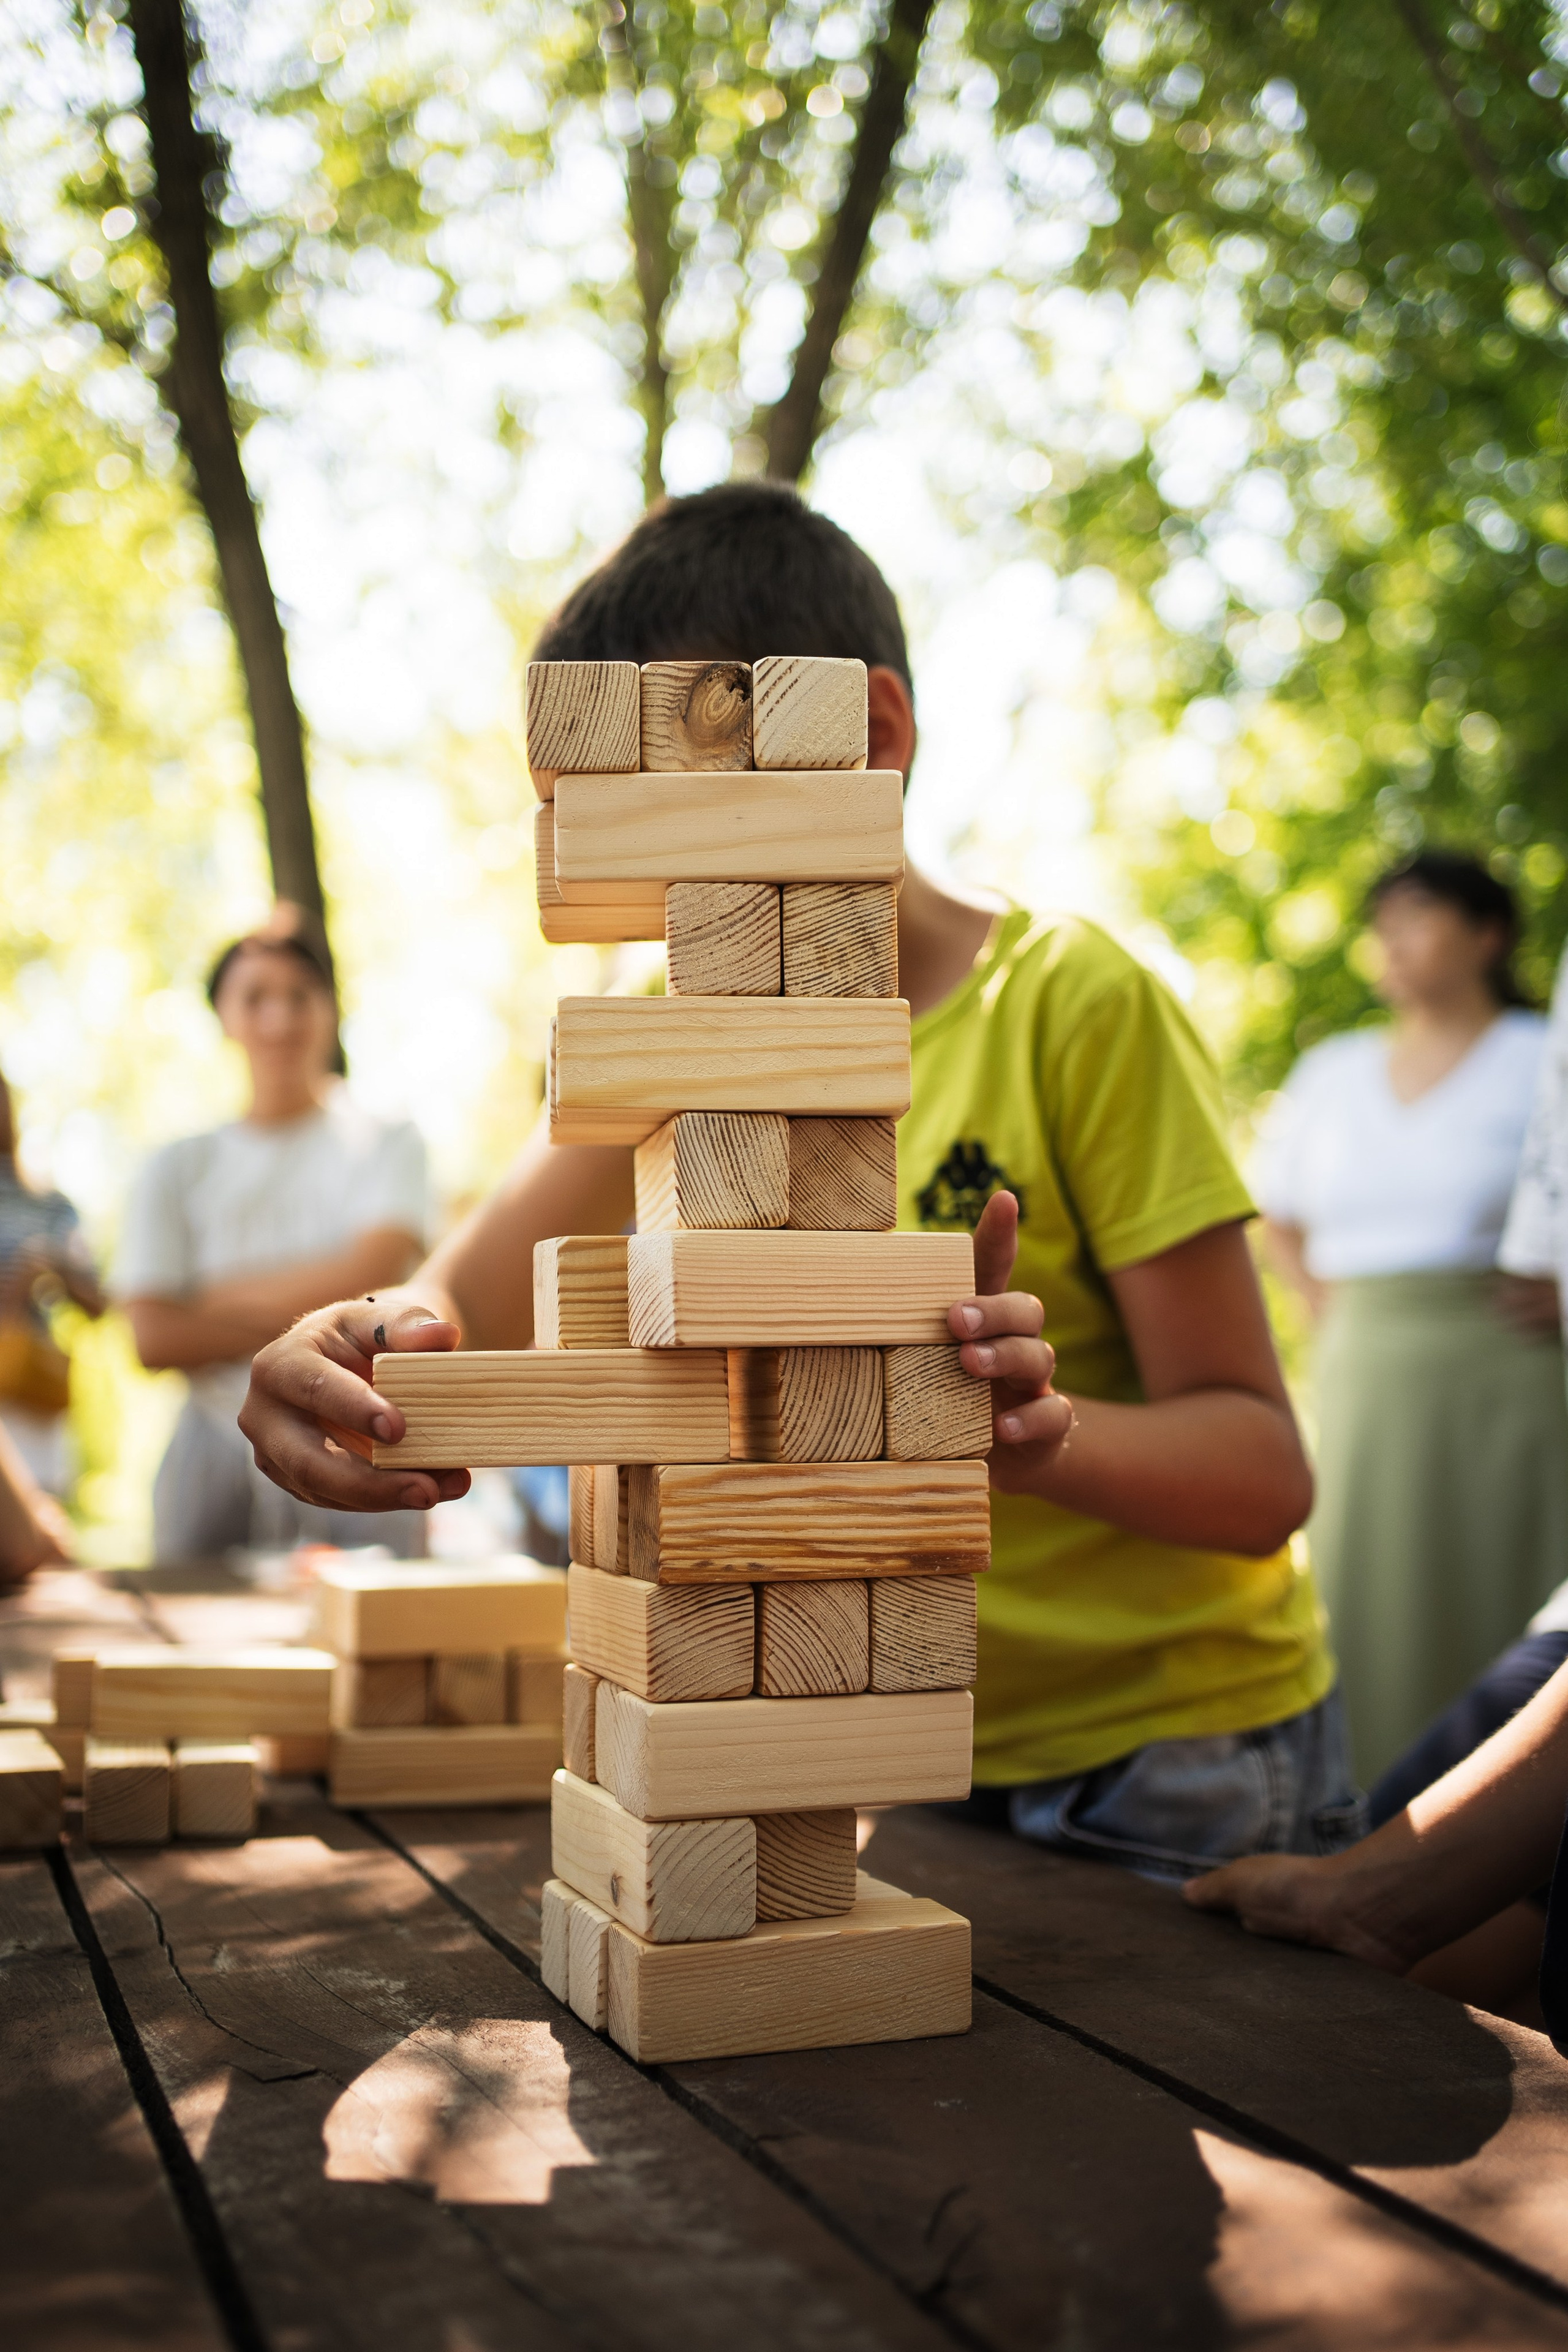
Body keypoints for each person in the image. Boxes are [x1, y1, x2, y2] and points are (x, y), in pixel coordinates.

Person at [236, 480, 1354, 1876]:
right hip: (887, 1752)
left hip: (1167, 1758)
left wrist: (1021, 1431)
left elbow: (1259, 1470)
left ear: (865, 735)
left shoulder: (1066, 1001)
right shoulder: (672, 1040)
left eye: (669, 821)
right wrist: (336, 1354)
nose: (643, 894)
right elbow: (443, 1315)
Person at [1257, 852, 1568, 1784]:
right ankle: (1367, 1811)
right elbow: (1277, 1210)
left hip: (1505, 1369)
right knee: (1372, 1593)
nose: (1391, 937)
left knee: (1506, 1586)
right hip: (1367, 1367)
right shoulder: (1334, 1071)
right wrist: (1324, 1311)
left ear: (1488, 933)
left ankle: (1514, 1825)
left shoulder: (1537, 1055)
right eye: (1382, 919)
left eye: (1419, 914)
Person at [115, 914, 431, 1562]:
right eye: (255, 997)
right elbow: (152, 1337)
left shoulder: (388, 1138)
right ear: (224, 1018)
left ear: (331, 1007)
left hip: (366, 1439)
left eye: (299, 994)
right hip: (208, 1455)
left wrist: (208, 1304)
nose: (280, 1019)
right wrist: (327, 1313)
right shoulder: (175, 1167)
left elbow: (377, 1276)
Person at [0, 1069, 105, 1495]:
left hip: (27, 1392)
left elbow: (99, 1303)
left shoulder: (49, 1204)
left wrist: (51, 1267)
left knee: (37, 1522)